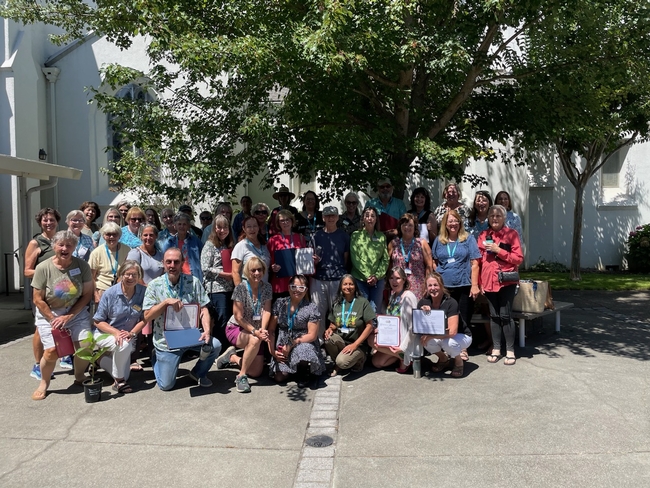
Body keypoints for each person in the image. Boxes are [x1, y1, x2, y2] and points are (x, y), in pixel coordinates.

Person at [143, 248, 221, 390]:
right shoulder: (154, 285)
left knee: (215, 345)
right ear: (163, 263)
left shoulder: (194, 282)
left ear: (182, 263)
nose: (172, 265)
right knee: (166, 385)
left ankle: (197, 373)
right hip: (165, 340)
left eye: (176, 262)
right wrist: (165, 303)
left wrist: (207, 331)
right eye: (168, 262)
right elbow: (147, 316)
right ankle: (157, 359)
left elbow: (204, 308)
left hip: (190, 335)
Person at [30, 230, 94, 400]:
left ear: (74, 247)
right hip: (49, 312)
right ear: (54, 246)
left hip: (76, 311)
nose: (65, 248)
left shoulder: (82, 266)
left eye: (69, 245)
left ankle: (79, 376)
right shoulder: (43, 267)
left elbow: (87, 294)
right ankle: (44, 382)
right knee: (51, 351)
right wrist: (53, 318)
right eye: (61, 245)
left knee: (86, 345)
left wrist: (69, 316)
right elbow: (37, 299)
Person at [431, 209, 481, 359]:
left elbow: (475, 262)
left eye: (455, 221)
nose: (453, 224)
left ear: (460, 223)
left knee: (463, 316)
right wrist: (439, 273)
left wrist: (474, 285)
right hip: (444, 286)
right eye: (449, 221)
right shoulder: (439, 240)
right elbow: (433, 261)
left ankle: (462, 348)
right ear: (445, 224)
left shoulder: (468, 239)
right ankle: (447, 345)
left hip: (463, 284)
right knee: (446, 317)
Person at [218, 257, 272, 393]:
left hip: (257, 331)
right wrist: (255, 332)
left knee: (255, 372)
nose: (257, 273)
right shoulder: (240, 289)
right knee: (254, 340)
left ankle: (232, 357)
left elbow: (267, 311)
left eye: (259, 270)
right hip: (236, 328)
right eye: (253, 270)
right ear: (247, 272)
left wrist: (263, 330)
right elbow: (238, 317)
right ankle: (241, 376)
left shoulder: (267, 287)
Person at [478, 204, 523, 366]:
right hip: (489, 281)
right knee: (494, 316)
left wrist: (499, 250)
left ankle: (510, 350)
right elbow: (479, 261)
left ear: (504, 218)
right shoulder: (483, 235)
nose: (494, 219)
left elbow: (518, 258)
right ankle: (496, 348)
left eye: (498, 216)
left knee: (505, 315)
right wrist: (479, 282)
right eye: (492, 216)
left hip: (506, 281)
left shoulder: (512, 234)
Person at [93, 261, 147, 394]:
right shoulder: (109, 294)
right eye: (127, 274)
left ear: (139, 276)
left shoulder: (143, 293)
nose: (130, 278)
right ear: (121, 275)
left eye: (134, 275)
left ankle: (99, 360)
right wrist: (116, 333)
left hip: (128, 336)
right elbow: (98, 321)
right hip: (105, 333)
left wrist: (132, 333)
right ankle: (119, 381)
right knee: (123, 346)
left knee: (124, 350)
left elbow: (145, 318)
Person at [24, 208, 64, 379]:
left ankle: (57, 358)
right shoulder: (36, 243)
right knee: (41, 329)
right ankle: (37, 365)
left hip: (60, 291)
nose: (49, 223)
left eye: (52, 220)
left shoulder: (60, 239)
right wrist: (48, 272)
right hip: (42, 293)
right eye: (45, 220)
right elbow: (27, 271)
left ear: (57, 221)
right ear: (40, 222)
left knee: (59, 325)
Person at [268, 275, 325, 384]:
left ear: (306, 290)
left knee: (304, 350)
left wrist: (292, 343)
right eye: (294, 287)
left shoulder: (311, 307)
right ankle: (291, 369)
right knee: (279, 378)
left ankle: (302, 371)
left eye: (301, 288)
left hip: (302, 341)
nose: (297, 290)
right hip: (283, 343)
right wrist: (272, 352)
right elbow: (271, 330)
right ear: (288, 287)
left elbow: (312, 335)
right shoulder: (280, 303)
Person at [418, 273, 473, 377]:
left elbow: (452, 332)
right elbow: (420, 328)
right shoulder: (423, 302)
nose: (433, 288)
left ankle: (458, 362)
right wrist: (423, 315)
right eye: (430, 285)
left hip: (461, 336)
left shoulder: (451, 302)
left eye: (436, 285)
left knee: (448, 342)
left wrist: (431, 336)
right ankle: (443, 359)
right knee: (425, 340)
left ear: (441, 286)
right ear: (426, 287)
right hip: (442, 336)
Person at [311, 206, 350, 336]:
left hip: (337, 279)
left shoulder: (344, 236)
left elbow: (345, 259)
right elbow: (309, 259)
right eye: (327, 215)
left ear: (338, 217)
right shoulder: (316, 236)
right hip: (319, 279)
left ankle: (335, 342)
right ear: (323, 218)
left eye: (333, 215)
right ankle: (320, 343)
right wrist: (314, 261)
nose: (330, 218)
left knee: (337, 313)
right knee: (318, 313)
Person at [324, 275, 375, 376]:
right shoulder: (337, 303)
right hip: (342, 341)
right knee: (328, 338)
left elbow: (370, 326)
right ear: (341, 287)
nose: (348, 287)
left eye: (351, 284)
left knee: (342, 362)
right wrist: (329, 329)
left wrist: (355, 345)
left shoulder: (362, 302)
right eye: (345, 284)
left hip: (358, 345)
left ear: (355, 286)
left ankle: (358, 361)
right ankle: (340, 363)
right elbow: (334, 323)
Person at [369, 267, 418, 372]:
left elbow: (413, 326)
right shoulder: (392, 296)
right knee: (376, 362)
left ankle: (406, 356)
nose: (394, 281)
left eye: (398, 278)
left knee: (370, 340)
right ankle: (400, 357)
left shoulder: (408, 297)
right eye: (391, 278)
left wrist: (403, 346)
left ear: (404, 280)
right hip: (393, 338)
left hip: (405, 340)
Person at [200, 215, 235, 347]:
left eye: (225, 227)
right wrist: (223, 274)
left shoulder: (229, 244)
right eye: (219, 227)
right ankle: (219, 348)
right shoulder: (210, 245)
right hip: (216, 289)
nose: (222, 230)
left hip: (230, 287)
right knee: (221, 319)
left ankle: (227, 347)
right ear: (214, 229)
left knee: (228, 319)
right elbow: (205, 268)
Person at [350, 206, 389, 312]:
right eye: (367, 216)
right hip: (360, 279)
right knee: (361, 310)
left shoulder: (381, 237)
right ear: (363, 219)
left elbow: (385, 259)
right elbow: (355, 258)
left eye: (372, 216)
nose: (370, 218)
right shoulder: (355, 236)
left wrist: (376, 276)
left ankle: (375, 329)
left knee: (375, 310)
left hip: (378, 280)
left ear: (376, 219)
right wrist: (367, 275)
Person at [388, 213, 433, 299]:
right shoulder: (393, 244)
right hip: (397, 285)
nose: (407, 228)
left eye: (410, 225)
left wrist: (428, 284)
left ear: (415, 227)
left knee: (416, 311)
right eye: (404, 225)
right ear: (400, 227)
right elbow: (389, 264)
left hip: (417, 286)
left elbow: (429, 265)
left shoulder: (421, 243)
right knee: (398, 311)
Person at [267, 209, 307, 299]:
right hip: (280, 283)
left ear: (292, 221)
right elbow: (268, 260)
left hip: (297, 282)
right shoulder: (273, 240)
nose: (285, 223)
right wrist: (272, 266)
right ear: (278, 223)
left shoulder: (300, 238)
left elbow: (304, 258)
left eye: (287, 219)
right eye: (282, 220)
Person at [88, 222, 128, 303]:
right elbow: (91, 277)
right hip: (102, 291)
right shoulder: (96, 253)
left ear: (119, 236)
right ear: (103, 236)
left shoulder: (127, 250)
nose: (112, 237)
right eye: (108, 234)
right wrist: (95, 294)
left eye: (115, 234)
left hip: (122, 289)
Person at [161, 212, 204, 281]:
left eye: (184, 224)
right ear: (175, 226)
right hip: (177, 278)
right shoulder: (169, 243)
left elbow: (203, 258)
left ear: (188, 226)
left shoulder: (196, 241)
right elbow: (163, 262)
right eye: (179, 224)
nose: (182, 226)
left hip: (194, 278)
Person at [232, 216, 271, 285]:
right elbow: (235, 272)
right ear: (244, 229)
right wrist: (241, 292)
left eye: (255, 226)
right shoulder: (241, 246)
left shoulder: (264, 246)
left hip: (264, 289)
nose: (252, 229)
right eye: (249, 227)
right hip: (248, 289)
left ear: (258, 228)